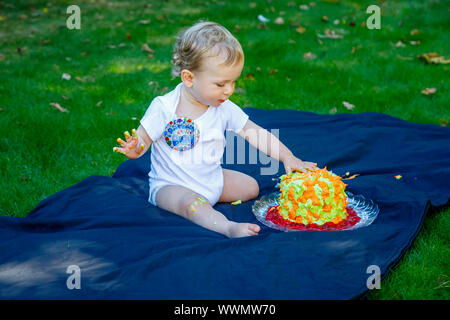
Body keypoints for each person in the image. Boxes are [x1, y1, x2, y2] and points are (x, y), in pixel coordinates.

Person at [113, 21, 318, 238]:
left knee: (251, 187)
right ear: (189, 78)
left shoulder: (224, 107)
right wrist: (137, 149)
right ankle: (227, 227)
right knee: (192, 205)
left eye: (233, 82)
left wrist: (287, 156)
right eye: (221, 84)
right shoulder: (164, 107)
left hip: (211, 178)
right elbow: (143, 139)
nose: (229, 90)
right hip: (171, 187)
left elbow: (255, 133)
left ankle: (209, 199)